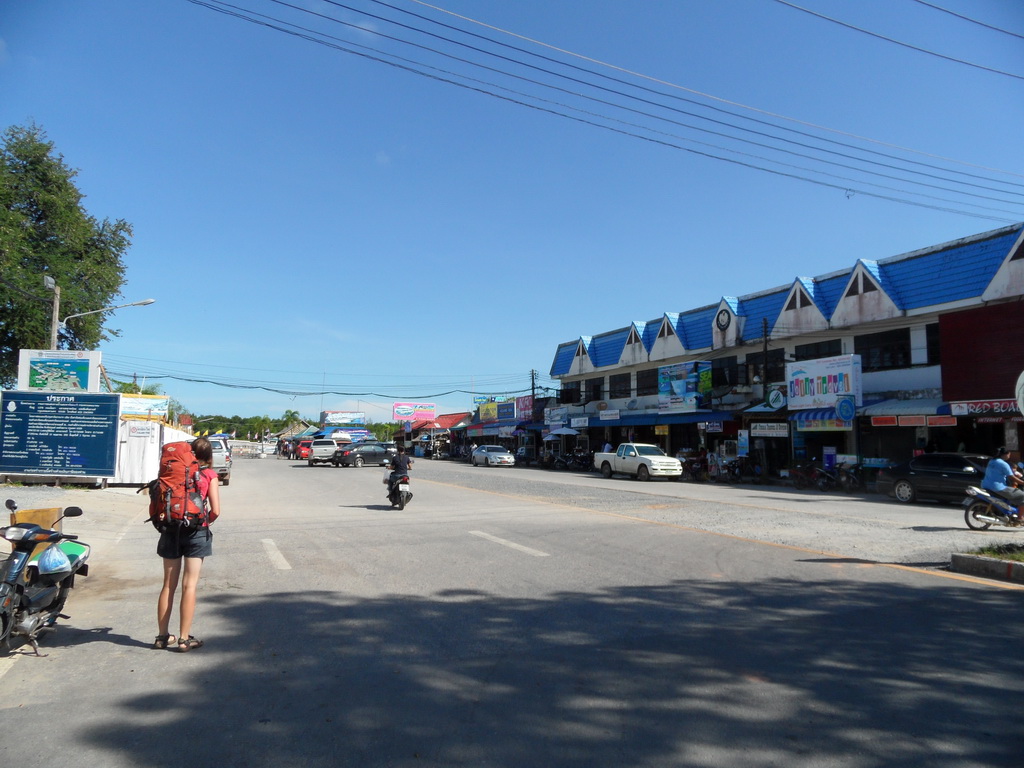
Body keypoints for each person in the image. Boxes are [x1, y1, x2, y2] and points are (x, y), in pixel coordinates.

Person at [154, 437, 221, 652]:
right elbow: (216, 510)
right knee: (189, 585)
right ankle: (184, 639)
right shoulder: (209, 475)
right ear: (209, 456)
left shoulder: (172, 473)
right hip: (196, 531)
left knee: (168, 585)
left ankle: (162, 637)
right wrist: (204, 521)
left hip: (170, 529)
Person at [981, 446, 1024, 516]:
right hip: (998, 487)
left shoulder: (991, 461)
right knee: (1022, 495)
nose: (1009, 456)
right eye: (1009, 454)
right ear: (1006, 454)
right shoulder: (1003, 464)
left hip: (985, 485)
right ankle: (1020, 518)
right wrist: (1022, 482)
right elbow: (1011, 477)